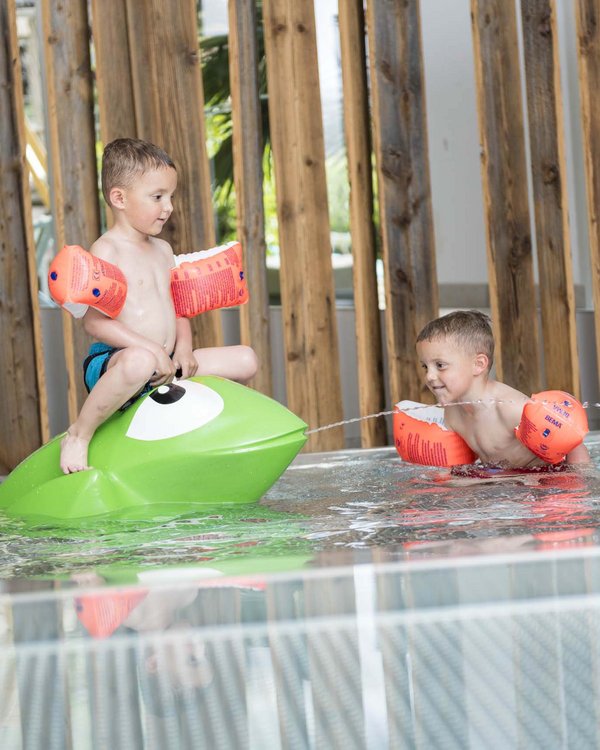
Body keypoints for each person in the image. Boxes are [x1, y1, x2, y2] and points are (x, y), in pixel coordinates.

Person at [60, 138, 258, 473]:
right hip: (119, 362)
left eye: (170, 196)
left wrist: (185, 348)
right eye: (157, 197)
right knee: (138, 362)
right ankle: (80, 434)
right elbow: (94, 323)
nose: (168, 207)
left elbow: (177, 306)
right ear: (119, 198)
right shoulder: (107, 251)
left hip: (166, 363)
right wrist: (149, 348)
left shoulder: (163, 250)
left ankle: (195, 426)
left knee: (245, 359)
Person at [415, 309, 590, 466]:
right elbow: (454, 461)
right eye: (425, 366)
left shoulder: (510, 408)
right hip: (503, 481)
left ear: (478, 364)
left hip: (541, 481)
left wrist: (576, 486)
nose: (429, 376)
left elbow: (572, 441)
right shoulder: (453, 413)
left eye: (440, 365)